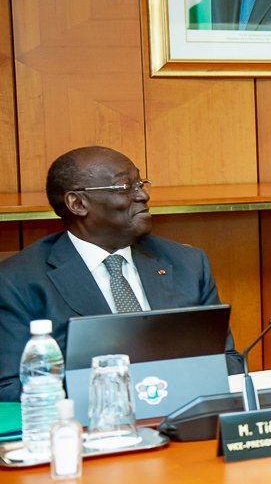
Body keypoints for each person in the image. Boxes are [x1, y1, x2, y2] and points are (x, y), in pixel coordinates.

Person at [0, 147, 242, 401]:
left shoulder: (187, 264)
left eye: (140, 184)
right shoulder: (18, 280)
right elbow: (10, 388)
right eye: (125, 187)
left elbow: (227, 360)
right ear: (78, 203)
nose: (143, 195)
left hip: (183, 413)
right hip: (88, 420)